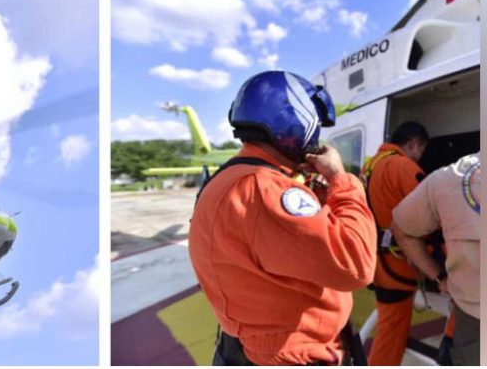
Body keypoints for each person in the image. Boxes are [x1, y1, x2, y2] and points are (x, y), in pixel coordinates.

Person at [189, 70, 377, 365]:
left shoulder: (228, 179)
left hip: (248, 345)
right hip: (294, 354)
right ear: (295, 120)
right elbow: (355, 264)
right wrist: (341, 179)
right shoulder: (265, 188)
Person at [390, 153, 480, 365]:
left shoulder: (448, 178)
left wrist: (439, 277)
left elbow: (400, 229)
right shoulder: (403, 167)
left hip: (473, 321)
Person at [362, 121, 429, 366]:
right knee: (392, 332)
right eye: (421, 150)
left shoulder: (369, 166)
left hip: (376, 262)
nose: (420, 157)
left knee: (387, 324)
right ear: (412, 144)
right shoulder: (403, 167)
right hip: (398, 264)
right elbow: (428, 212)